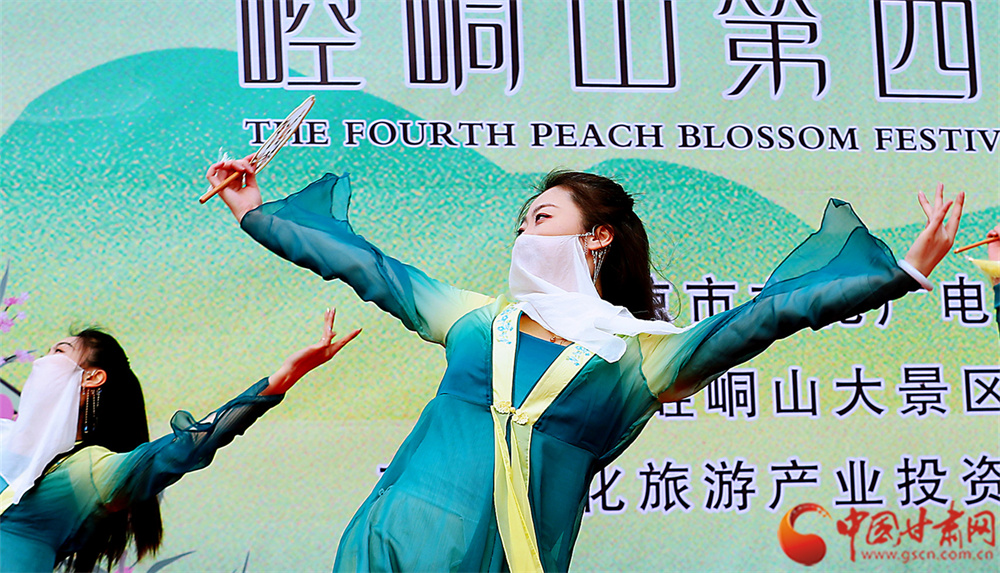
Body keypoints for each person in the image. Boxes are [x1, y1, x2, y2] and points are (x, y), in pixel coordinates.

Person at [207, 158, 962, 572]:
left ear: (595, 236)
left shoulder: (640, 355)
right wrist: (254, 212)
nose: (524, 233)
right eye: (522, 223)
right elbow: (364, 264)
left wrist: (895, 273)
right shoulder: (476, 318)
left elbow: (762, 318)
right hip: (395, 544)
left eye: (542, 217)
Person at [0, 310, 360, 572]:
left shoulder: (89, 470)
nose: (42, 362)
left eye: (58, 352)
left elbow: (188, 446)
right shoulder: (5, 437)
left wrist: (282, 378)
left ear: (92, 378)